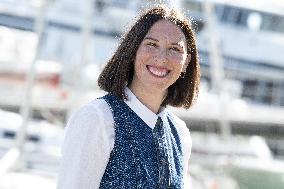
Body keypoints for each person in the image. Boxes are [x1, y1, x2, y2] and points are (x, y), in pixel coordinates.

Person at [57, 5, 200, 189]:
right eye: (151, 44)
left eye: (174, 49)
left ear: (186, 61)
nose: (162, 58)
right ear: (133, 50)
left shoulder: (180, 135)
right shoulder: (97, 119)